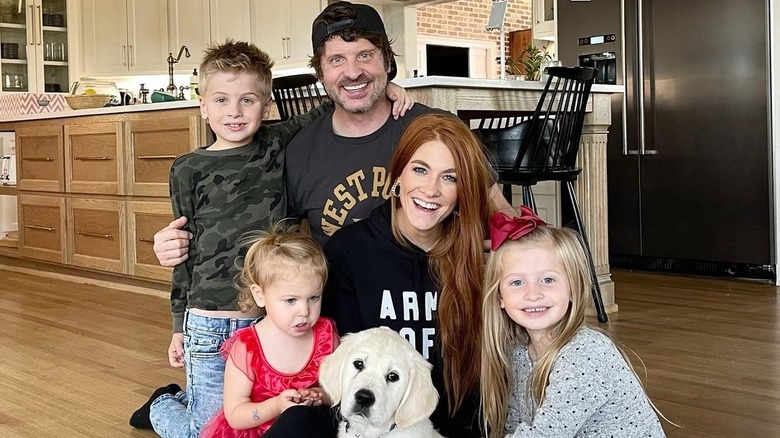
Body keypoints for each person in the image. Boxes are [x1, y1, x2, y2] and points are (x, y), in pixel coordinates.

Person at [151, 1, 515, 263]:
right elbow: (251, 228)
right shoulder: (296, 150)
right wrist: (180, 241)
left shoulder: (436, 131)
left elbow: (502, 215)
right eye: (336, 59)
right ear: (321, 73)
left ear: (388, 62)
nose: (352, 72)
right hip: (342, 321)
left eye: (365, 55)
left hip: (434, 310)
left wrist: (512, 252)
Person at [128, 39, 350, 437]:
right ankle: (163, 403)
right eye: (221, 100)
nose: (234, 111)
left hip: (267, 318)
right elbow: (182, 248)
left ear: (266, 107)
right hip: (208, 321)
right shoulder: (186, 169)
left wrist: (389, 89)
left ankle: (190, 401)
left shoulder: (275, 142)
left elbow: (328, 106)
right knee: (207, 432)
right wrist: (178, 323)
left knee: (259, 421)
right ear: (203, 106)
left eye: (248, 100)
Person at [320, 113, 495, 438]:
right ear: (398, 173)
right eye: (420, 170)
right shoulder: (349, 252)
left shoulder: (475, 258)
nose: (430, 190)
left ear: (463, 191)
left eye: (450, 178)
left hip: (458, 426)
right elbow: (343, 363)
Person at [480, 209, 666, 438]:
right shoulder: (518, 351)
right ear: (500, 297)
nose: (533, 294)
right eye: (517, 282)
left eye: (547, 280)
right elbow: (515, 426)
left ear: (572, 288)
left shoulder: (586, 354)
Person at [200, 222, 338, 437]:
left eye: (313, 298)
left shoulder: (326, 336)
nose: (304, 311)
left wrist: (321, 396)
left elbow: (341, 390)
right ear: (259, 295)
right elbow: (235, 414)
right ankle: (162, 404)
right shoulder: (247, 347)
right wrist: (276, 406)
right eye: (290, 300)